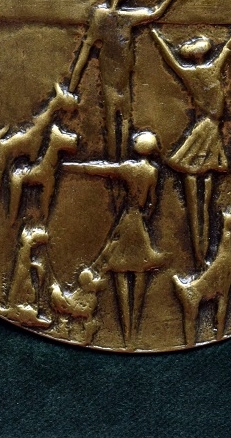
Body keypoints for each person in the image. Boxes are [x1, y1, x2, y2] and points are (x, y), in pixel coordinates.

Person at [150, 0, 231, 265]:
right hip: (205, 131)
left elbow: (171, 60)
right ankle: (201, 252)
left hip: (206, 132)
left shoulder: (192, 72)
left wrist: (157, 37)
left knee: (199, 196)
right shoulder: (211, 68)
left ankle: (202, 253)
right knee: (203, 196)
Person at [62, 131, 163, 350]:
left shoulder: (129, 168)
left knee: (120, 279)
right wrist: (143, 215)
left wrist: (72, 166)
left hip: (126, 224)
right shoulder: (153, 171)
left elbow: (101, 169)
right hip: (139, 227)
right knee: (140, 278)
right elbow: (152, 203)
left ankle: (125, 336)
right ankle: (134, 335)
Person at [69, 0, 182, 159]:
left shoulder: (122, 17)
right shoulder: (105, 16)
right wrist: (72, 86)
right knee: (117, 115)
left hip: (122, 74)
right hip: (112, 73)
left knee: (121, 115)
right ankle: (116, 157)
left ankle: (119, 157)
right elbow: (85, 50)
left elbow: (85, 50)